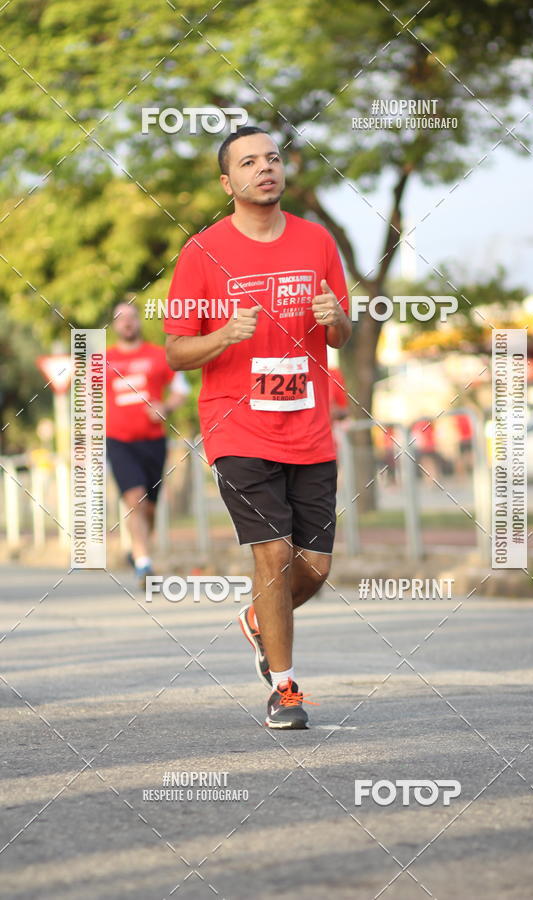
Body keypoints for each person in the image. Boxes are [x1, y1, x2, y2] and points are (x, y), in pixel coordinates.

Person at [164, 126, 351, 729]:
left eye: (272, 159)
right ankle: (286, 688)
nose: (264, 169)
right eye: (249, 162)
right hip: (237, 425)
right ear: (228, 182)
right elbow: (176, 352)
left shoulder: (318, 242)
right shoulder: (203, 252)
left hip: (309, 426)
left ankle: (256, 621)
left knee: (315, 567)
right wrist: (222, 336)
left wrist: (338, 319)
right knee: (271, 553)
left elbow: (342, 330)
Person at [106, 302, 189, 585]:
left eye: (131, 317)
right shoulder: (102, 360)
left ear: (139, 321)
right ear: (114, 325)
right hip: (119, 441)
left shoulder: (158, 355)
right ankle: (144, 564)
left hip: (153, 441)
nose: (127, 323)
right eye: (120, 318)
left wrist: (165, 407)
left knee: (149, 508)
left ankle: (138, 549)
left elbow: (181, 390)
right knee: (135, 500)